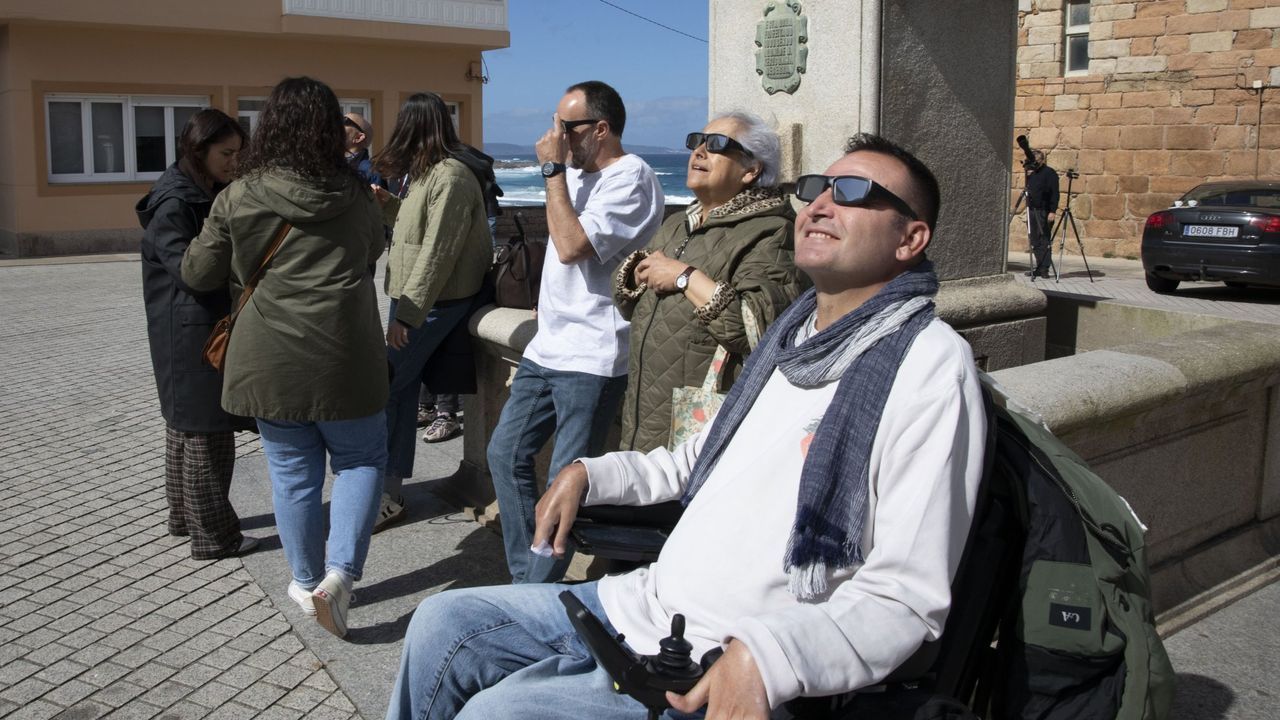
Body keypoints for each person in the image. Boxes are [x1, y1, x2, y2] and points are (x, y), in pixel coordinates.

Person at [385, 134, 988, 719]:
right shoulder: (792, 339)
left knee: (498, 713)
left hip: (717, 660)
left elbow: (906, 597)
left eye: (855, 191)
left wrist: (770, 658)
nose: (823, 203)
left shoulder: (925, 365)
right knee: (442, 624)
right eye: (819, 187)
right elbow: (694, 457)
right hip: (643, 604)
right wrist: (589, 472)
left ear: (912, 238)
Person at [181, 76, 387, 640]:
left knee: (293, 474)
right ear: (328, 130)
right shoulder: (354, 192)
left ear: (268, 126)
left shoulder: (240, 194)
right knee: (360, 460)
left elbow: (197, 270)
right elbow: (372, 251)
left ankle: (303, 580)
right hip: (348, 355)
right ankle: (341, 574)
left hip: (269, 359)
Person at [486, 80, 665, 584]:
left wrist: (551, 173)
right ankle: (531, 579)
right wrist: (559, 175)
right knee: (504, 452)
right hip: (548, 347)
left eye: (566, 127)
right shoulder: (573, 177)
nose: (555, 137)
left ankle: (532, 591)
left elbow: (570, 246)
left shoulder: (632, 179)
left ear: (601, 129)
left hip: (592, 356)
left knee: (566, 482)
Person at [615, 111, 805, 452]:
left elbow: (755, 329)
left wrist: (685, 277)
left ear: (751, 170)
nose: (698, 151)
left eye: (716, 145)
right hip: (642, 418)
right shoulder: (677, 224)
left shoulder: (772, 232)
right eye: (695, 141)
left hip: (699, 432)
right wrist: (637, 273)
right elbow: (632, 304)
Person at [138, 108, 259, 561]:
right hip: (191, 331)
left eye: (238, 153)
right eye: (226, 153)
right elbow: (193, 272)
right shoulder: (176, 202)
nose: (234, 162)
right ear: (198, 149)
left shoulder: (196, 190)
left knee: (185, 430)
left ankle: (182, 518)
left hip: (186, 327)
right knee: (208, 434)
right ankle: (214, 536)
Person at [370, 92, 493, 532]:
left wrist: (408, 313)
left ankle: (382, 492)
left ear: (416, 127)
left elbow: (439, 252)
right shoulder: (427, 174)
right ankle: (389, 491)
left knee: (385, 388)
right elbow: (421, 230)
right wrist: (389, 205)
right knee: (397, 392)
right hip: (415, 299)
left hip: (430, 303)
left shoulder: (452, 176)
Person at [1024, 149, 1059, 278]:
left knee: (1044, 239)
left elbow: (1055, 193)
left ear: (1042, 160)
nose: (1035, 163)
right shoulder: (1031, 173)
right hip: (1032, 210)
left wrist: (1052, 211)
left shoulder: (1049, 173)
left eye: (1037, 161)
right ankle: (1039, 266)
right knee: (1034, 239)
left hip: (1043, 210)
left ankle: (1045, 268)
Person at [344, 112, 384, 188]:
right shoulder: (332, 166)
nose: (337, 125)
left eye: (344, 121)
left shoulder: (370, 172)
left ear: (358, 137)